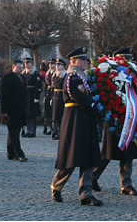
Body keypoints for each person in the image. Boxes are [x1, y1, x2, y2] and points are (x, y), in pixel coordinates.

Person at [50, 47, 102, 206]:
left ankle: (85, 194)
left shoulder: (82, 77)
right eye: (83, 59)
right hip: (74, 121)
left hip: (84, 120)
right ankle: (56, 185)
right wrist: (98, 109)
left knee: (87, 157)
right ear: (73, 61)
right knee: (71, 158)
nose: (86, 62)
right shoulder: (73, 78)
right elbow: (82, 99)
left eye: (86, 59)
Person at [92, 47, 137, 197]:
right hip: (116, 118)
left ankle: (126, 184)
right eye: (124, 60)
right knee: (108, 153)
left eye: (128, 60)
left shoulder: (135, 74)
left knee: (129, 152)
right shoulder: (111, 73)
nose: (126, 63)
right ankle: (94, 176)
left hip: (131, 118)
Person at [0, 59, 28, 162]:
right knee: (14, 132)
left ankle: (10, 153)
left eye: (21, 68)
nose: (21, 69)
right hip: (11, 110)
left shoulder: (23, 77)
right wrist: (4, 110)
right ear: (13, 67)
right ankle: (19, 153)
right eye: (19, 67)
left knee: (14, 132)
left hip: (20, 110)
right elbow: (3, 95)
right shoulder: (6, 78)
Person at [22, 57, 41, 138]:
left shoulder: (35, 73)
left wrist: (36, 96)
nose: (26, 64)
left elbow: (38, 86)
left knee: (32, 114)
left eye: (28, 63)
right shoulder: (24, 73)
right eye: (25, 63)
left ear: (31, 63)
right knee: (27, 114)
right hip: (26, 95)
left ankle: (32, 131)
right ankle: (28, 130)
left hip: (32, 95)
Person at [51, 58, 67, 140]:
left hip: (61, 97)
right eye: (56, 65)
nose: (57, 66)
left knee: (61, 115)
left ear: (63, 66)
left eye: (59, 65)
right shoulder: (54, 75)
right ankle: (55, 131)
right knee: (55, 116)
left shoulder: (65, 75)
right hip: (55, 96)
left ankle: (61, 132)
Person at [44, 58, 56, 135]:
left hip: (54, 93)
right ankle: (50, 127)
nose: (51, 65)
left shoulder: (56, 73)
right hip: (48, 93)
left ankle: (54, 128)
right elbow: (46, 85)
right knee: (48, 111)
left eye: (52, 63)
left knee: (53, 112)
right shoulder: (48, 73)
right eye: (50, 64)